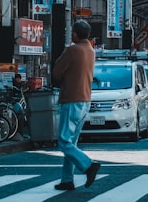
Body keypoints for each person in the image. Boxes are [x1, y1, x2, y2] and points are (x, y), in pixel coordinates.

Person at [50, 20, 100, 191]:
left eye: (72, 32)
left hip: (71, 99)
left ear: (75, 34)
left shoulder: (72, 50)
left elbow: (56, 72)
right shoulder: (91, 51)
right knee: (72, 143)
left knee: (64, 142)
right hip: (85, 100)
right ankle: (67, 179)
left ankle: (88, 166)